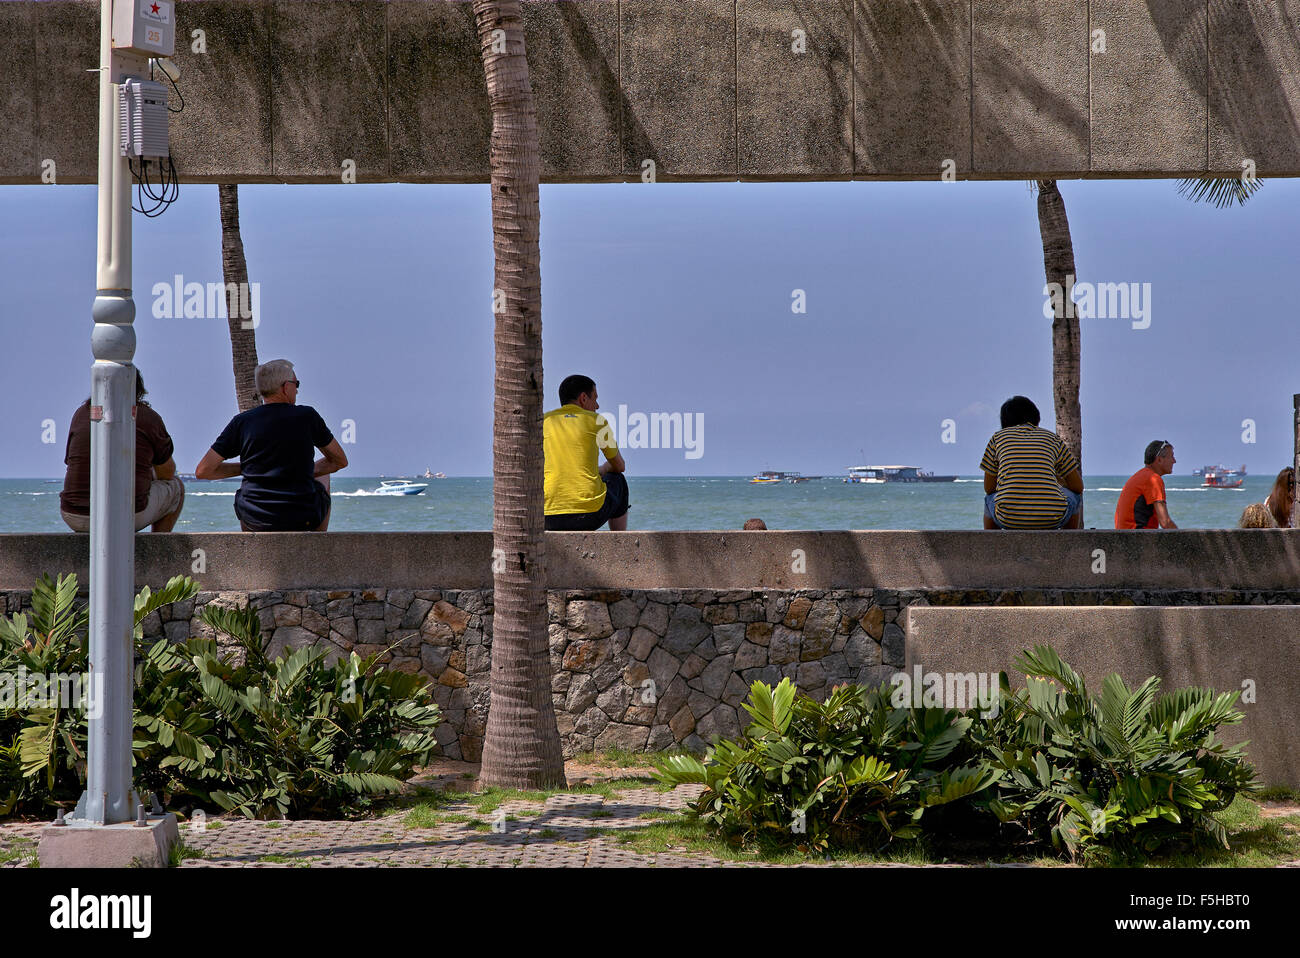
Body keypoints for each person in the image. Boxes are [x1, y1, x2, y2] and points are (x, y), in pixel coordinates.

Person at [195, 359, 347, 531]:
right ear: (285, 387)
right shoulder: (307, 416)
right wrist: (299, 471)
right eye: (296, 384)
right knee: (324, 477)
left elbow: (203, 470)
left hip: (255, 520)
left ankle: (253, 544)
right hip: (303, 518)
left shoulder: (242, 422)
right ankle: (316, 545)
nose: (297, 390)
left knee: (248, 488)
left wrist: (251, 468)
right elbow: (339, 461)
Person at [59, 369, 184, 533]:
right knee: (176, 488)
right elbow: (167, 473)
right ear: (137, 389)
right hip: (125, 517)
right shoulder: (147, 417)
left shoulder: (81, 414)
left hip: (73, 514)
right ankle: (158, 549)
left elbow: (71, 461)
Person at [979, 396, 1083, 529]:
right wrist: (1056, 481)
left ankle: (990, 545)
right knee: (1074, 497)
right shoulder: (1052, 439)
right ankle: (1069, 543)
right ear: (1036, 417)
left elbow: (989, 489)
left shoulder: (998, 438)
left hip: (1007, 518)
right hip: (1052, 518)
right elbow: (1078, 487)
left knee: (989, 499)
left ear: (1004, 421)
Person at [543, 374, 629, 531]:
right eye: (595, 398)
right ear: (583, 398)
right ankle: (620, 541)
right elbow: (619, 466)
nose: (597, 406)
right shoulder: (597, 421)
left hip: (547, 517)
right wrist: (603, 469)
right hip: (588, 516)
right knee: (619, 480)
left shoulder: (544, 421)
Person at [1115, 440, 1178, 529]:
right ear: (1159, 459)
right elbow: (1165, 522)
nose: (1174, 461)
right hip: (1138, 539)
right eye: (1171, 456)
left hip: (1124, 538)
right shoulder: (1153, 479)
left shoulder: (1139, 476)